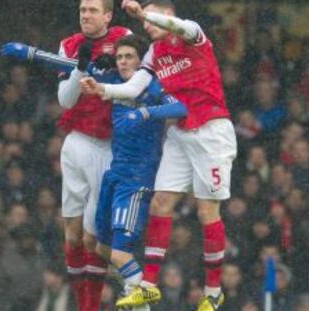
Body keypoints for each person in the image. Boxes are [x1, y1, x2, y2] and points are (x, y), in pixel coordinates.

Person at [82, 1, 237, 310]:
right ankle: (149, 285)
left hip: (211, 129)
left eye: (153, 19)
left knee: (207, 212)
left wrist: (145, 14)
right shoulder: (153, 53)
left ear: (168, 15)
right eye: (144, 21)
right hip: (180, 133)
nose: (146, 25)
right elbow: (135, 86)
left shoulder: (193, 34)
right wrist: (102, 89)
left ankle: (213, 291)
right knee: (161, 203)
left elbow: (181, 27)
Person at [1, 1, 131, 310]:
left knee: (94, 235)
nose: (86, 15)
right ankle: (81, 303)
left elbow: (135, 81)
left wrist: (107, 76)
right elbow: (66, 100)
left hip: (108, 145)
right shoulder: (69, 45)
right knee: (71, 232)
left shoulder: (124, 39)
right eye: (83, 10)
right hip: (75, 142)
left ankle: (91, 306)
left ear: (108, 16)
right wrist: (81, 68)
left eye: (93, 11)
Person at [79, 34, 187, 310]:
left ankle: (143, 302)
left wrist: (147, 113)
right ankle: (134, 288)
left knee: (118, 253)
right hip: (114, 174)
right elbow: (73, 68)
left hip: (138, 178)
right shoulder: (114, 82)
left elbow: (180, 107)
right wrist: (32, 54)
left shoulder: (153, 86)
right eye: (120, 57)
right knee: (97, 246)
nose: (124, 62)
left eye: (129, 57)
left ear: (142, 62)